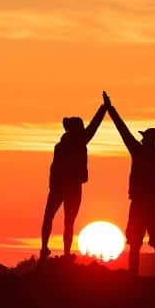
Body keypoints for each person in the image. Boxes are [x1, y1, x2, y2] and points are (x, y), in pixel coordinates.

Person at [105, 92, 155, 280]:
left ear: (148, 140)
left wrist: (110, 109)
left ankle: (133, 278)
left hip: (140, 206)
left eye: (145, 137)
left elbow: (123, 130)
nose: (142, 139)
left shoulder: (138, 151)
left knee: (136, 244)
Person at [40, 95, 107, 260]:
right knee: (68, 222)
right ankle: (65, 252)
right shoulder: (79, 141)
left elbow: (53, 169)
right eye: (81, 126)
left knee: (50, 217)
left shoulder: (61, 145)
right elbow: (94, 125)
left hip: (58, 187)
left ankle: (45, 248)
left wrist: (53, 186)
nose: (84, 128)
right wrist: (104, 108)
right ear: (77, 128)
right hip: (72, 187)